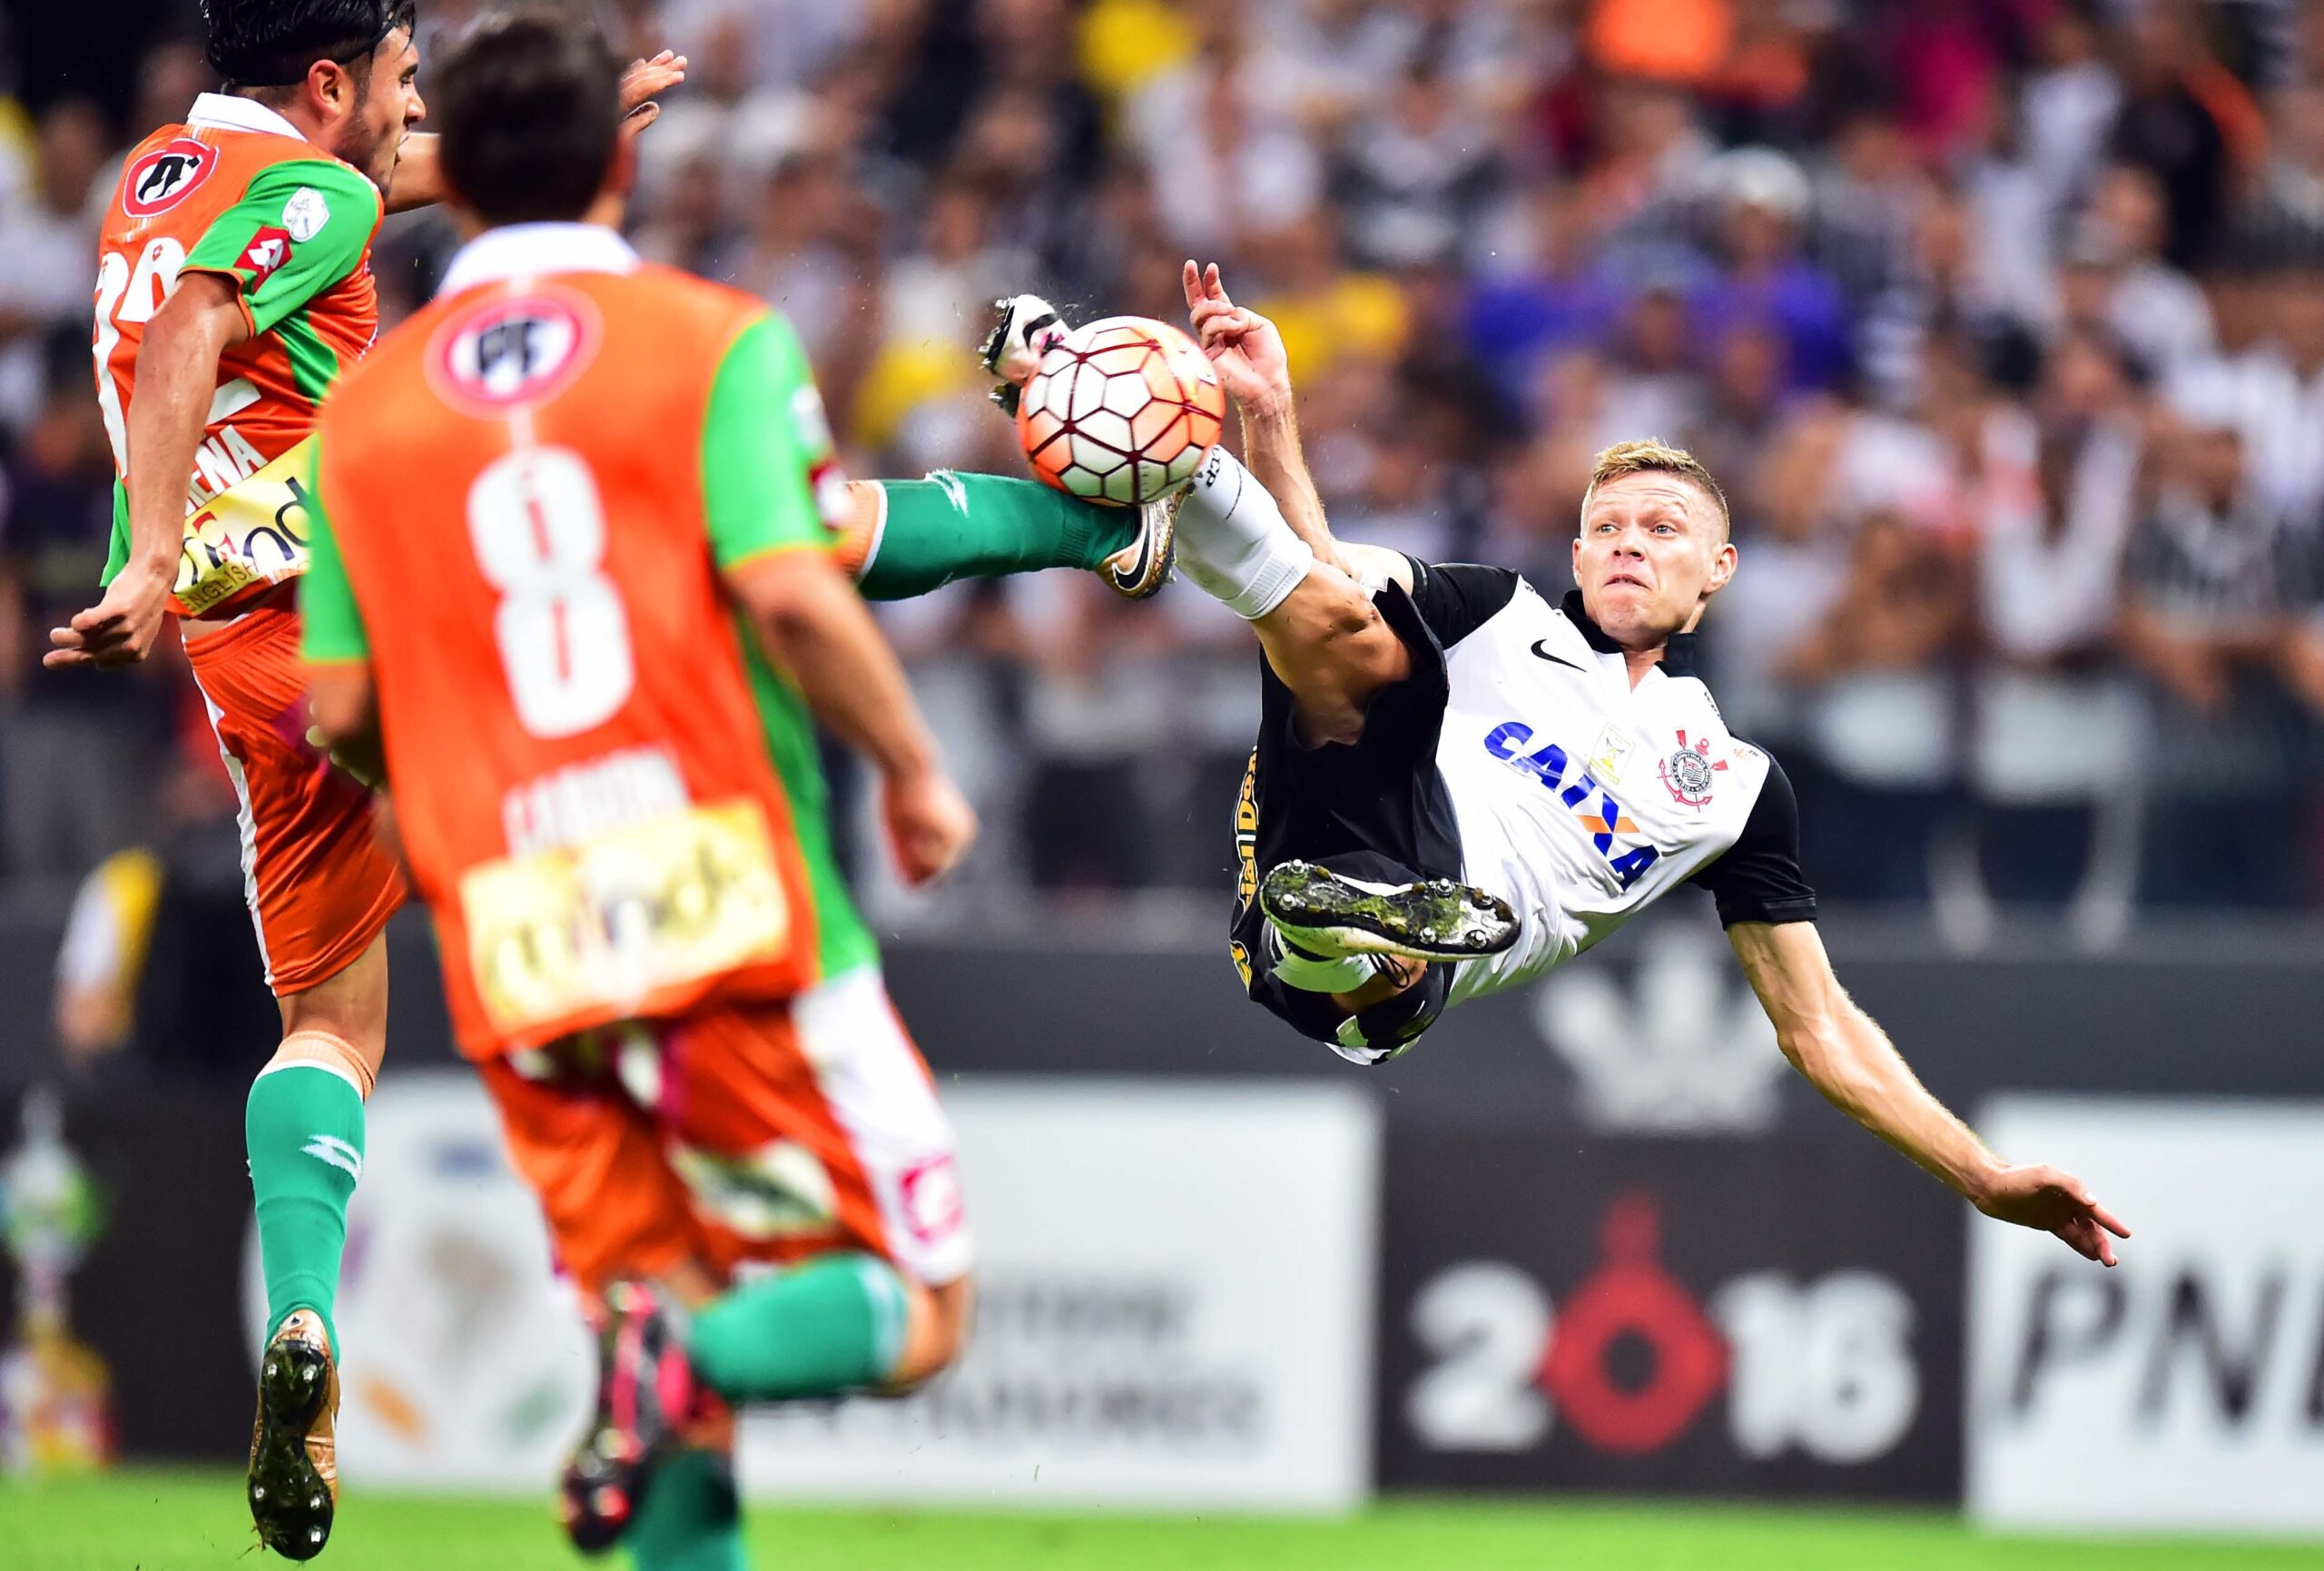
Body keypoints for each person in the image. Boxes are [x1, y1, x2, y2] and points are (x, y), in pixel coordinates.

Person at [294, 14, 1130, 1566]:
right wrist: (915, 767)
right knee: (916, 1308)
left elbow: (336, 706)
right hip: (724, 898)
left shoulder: (368, 409)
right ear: (624, 158)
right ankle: (681, 1365)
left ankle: (662, 1361)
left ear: (446, 173)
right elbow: (803, 588)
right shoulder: (711, 338)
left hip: (514, 933)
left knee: (652, 1303)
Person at [988, 263, 2132, 1272]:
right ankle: (1104, 424)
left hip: (1386, 991)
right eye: (1610, 524)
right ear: (1577, 553)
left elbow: (1817, 1025)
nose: (1632, 539)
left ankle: (1095, 444)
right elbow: (1317, 575)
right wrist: (1271, 414)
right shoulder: (1498, 614)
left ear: (1718, 568)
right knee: (1367, 636)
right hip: (1329, 801)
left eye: (1663, 527)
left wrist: (1980, 1174)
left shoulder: (1733, 785)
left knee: (1364, 695)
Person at [60, 2, 684, 1556]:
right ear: (333, 81)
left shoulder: (161, 168)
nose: (412, 119)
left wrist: (575, 111)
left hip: (241, 663)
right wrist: (137, 555)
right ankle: (651, 1280)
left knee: (332, 1021)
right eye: (402, 83)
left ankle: (309, 1328)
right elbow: (211, 314)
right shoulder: (314, 198)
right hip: (354, 609)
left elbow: (343, 199)